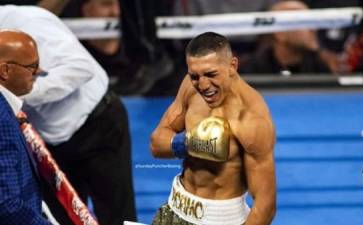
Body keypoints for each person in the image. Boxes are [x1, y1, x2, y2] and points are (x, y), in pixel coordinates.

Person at [0, 5, 136, 225]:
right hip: (46, 142)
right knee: (63, 219)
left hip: (97, 124)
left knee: (118, 218)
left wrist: (17, 96)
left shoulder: (27, 23)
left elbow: (81, 67)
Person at [150, 32, 276, 225]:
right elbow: (156, 145)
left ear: (232, 66)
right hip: (174, 209)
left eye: (211, 74)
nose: (203, 85)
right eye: (195, 76)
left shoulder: (251, 118)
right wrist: (186, 144)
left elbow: (265, 204)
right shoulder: (190, 87)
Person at [0, 29, 50, 225]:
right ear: (5, 71)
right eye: (32, 66)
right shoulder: (1, 118)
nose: (38, 72)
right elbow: (5, 203)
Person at [241, 0, 331, 75]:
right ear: (280, 33)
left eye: (311, 22)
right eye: (304, 22)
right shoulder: (252, 71)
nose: (313, 29)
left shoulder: (319, 67)